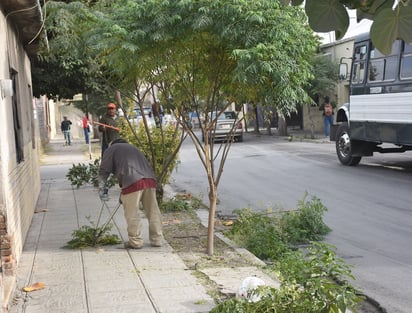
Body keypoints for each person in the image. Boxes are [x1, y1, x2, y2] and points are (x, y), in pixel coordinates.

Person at [98, 138, 163, 249]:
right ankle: (157, 239)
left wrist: (102, 188)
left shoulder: (111, 149)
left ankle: (136, 241)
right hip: (149, 180)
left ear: (112, 144)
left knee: (132, 213)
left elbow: (104, 170)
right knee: (153, 211)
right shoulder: (133, 148)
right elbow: (132, 167)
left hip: (133, 182)